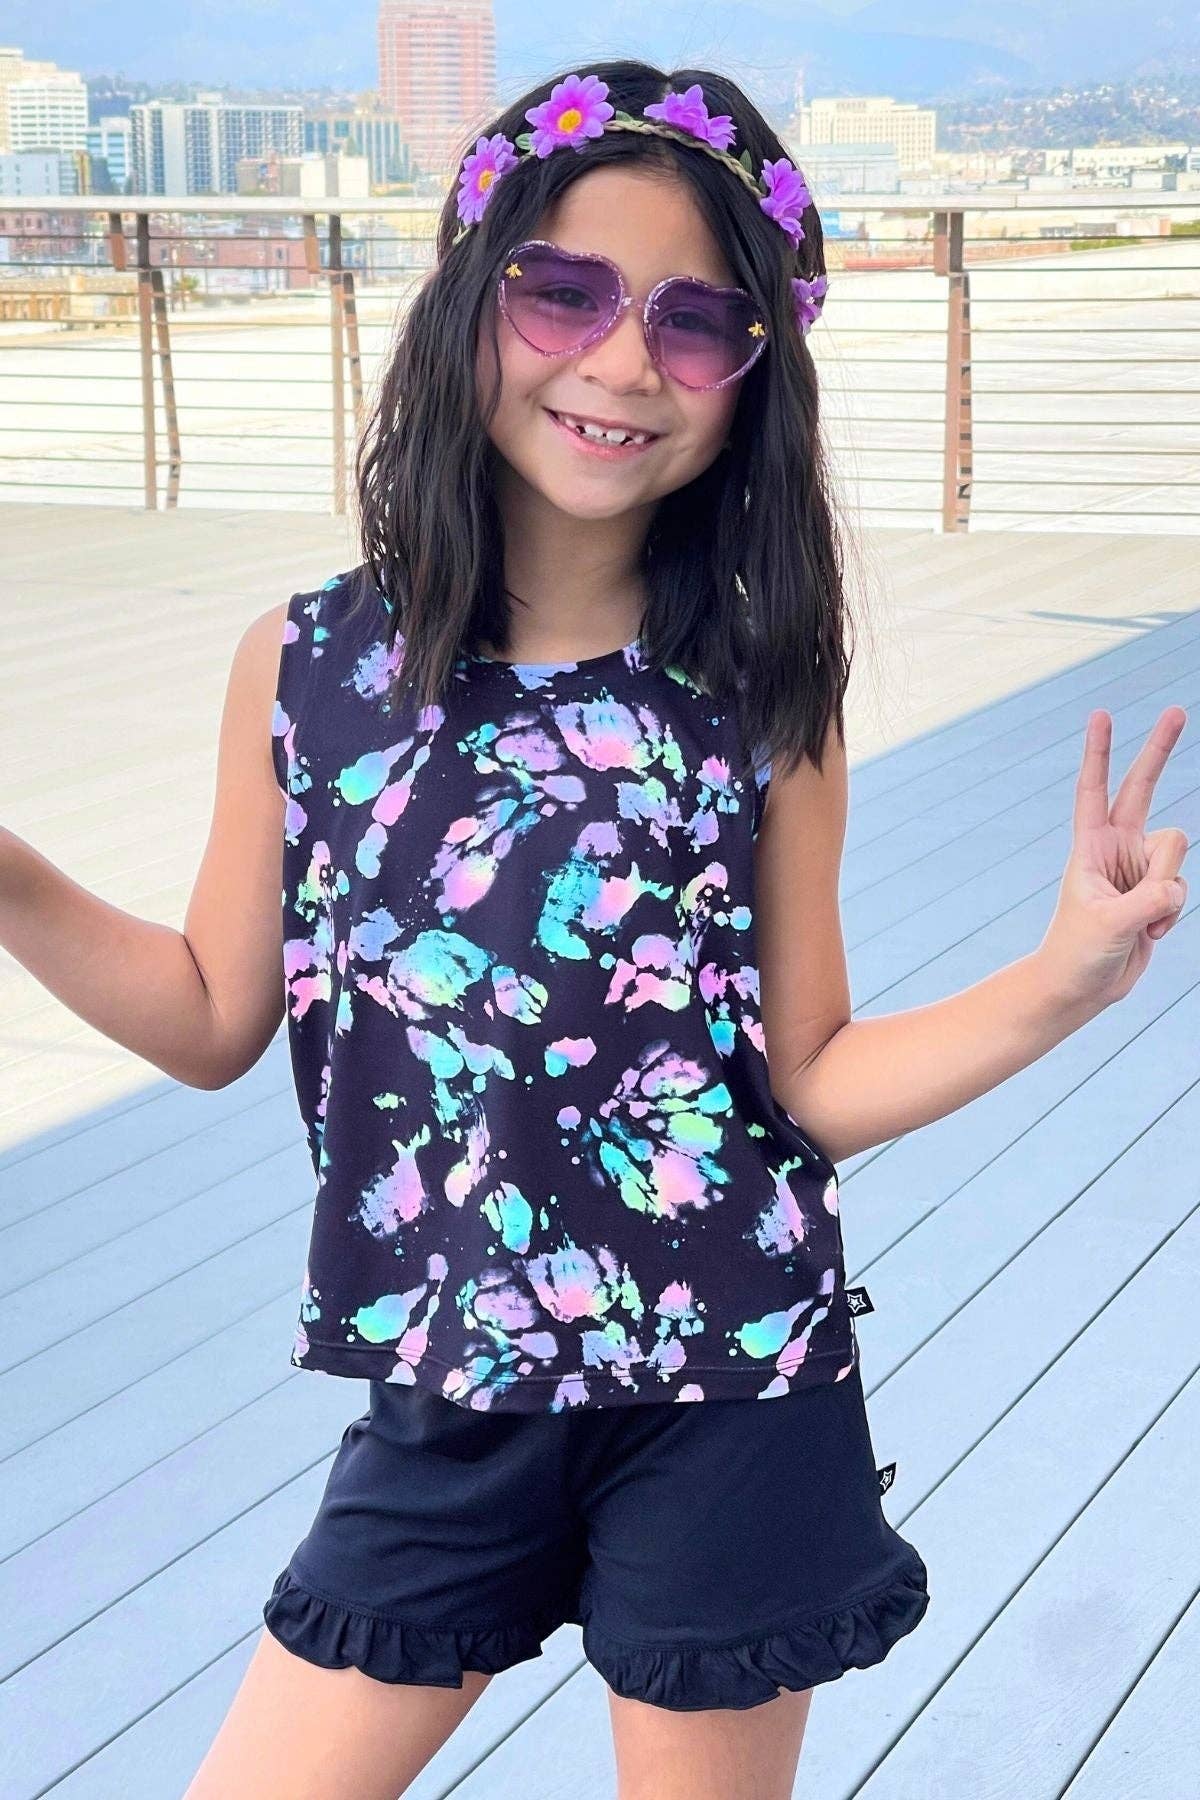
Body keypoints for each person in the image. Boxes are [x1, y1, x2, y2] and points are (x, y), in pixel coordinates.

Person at [3, 59, 1188, 1800]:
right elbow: (204, 1016)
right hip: (449, 1389)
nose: (624, 362)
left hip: (727, 1388)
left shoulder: (760, 692)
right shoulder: (308, 667)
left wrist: (1064, 978)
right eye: (564, 292)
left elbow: (815, 1076)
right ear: (469, 306)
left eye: (696, 324)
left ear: (752, 382)